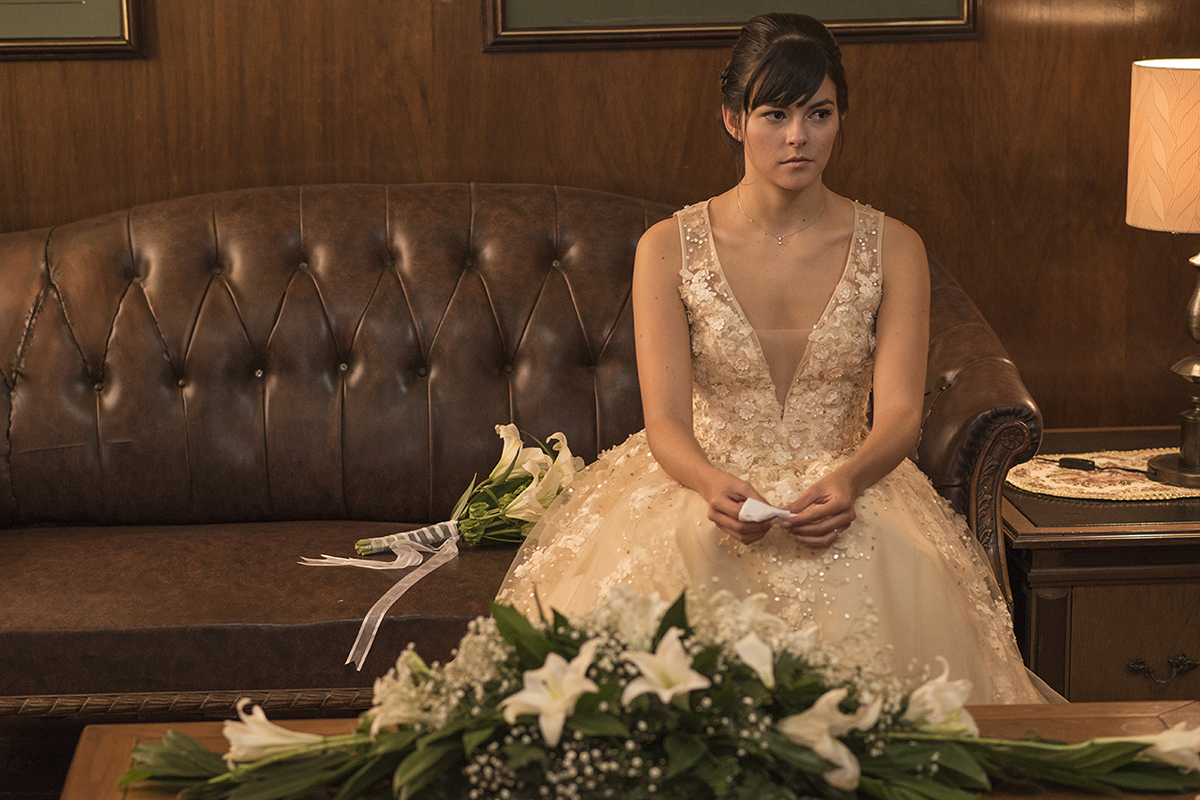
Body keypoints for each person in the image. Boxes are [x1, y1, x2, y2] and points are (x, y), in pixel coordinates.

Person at [496, 12, 1050, 704]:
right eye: (775, 114)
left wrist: (849, 480)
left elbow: (900, 415)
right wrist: (708, 484)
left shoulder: (896, 247)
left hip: (850, 484)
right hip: (704, 483)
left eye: (818, 113)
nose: (798, 137)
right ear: (734, 120)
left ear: (841, 117)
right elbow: (664, 419)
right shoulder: (666, 248)